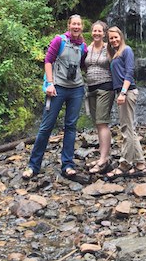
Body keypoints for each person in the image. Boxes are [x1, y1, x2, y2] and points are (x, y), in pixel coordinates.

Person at [23, 14, 87, 180]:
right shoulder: (59, 40)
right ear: (69, 25)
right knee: (46, 126)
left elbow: (84, 65)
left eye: (79, 24)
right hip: (57, 88)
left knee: (71, 126)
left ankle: (68, 165)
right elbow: (48, 61)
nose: (76, 27)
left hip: (76, 89)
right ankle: (33, 165)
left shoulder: (83, 47)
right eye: (74, 24)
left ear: (82, 27)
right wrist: (49, 83)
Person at [105, 26, 146, 179]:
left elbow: (129, 72)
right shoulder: (114, 54)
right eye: (111, 38)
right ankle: (140, 164)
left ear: (121, 37)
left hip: (127, 92)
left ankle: (124, 164)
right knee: (130, 129)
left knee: (126, 129)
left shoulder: (126, 50)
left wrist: (122, 92)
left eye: (116, 37)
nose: (114, 40)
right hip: (123, 92)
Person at [84, 21, 115, 174]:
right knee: (98, 123)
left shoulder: (109, 48)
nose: (96, 33)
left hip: (105, 87)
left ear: (104, 34)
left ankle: (104, 158)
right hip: (91, 89)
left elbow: (117, 63)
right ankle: (103, 156)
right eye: (94, 31)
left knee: (102, 122)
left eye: (99, 31)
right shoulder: (87, 48)